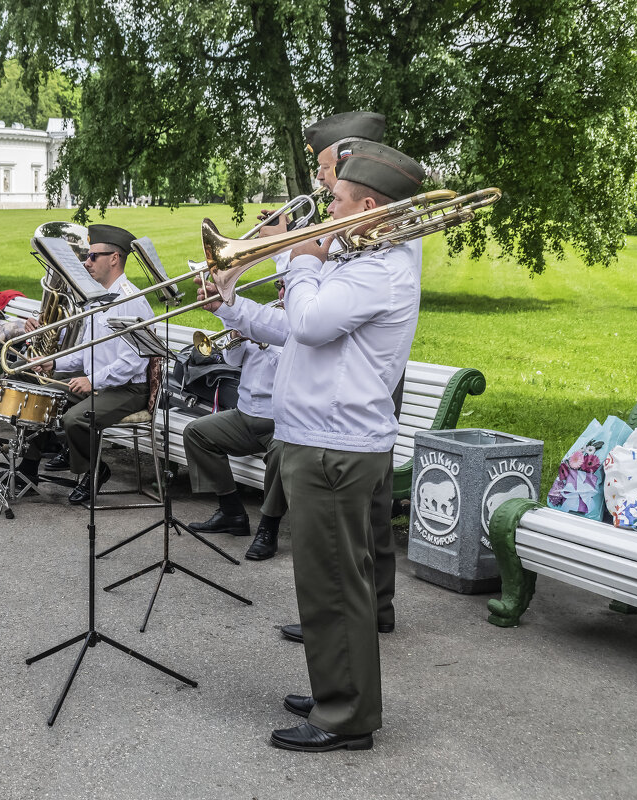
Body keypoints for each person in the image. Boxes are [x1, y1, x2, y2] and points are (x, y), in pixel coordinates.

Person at [210, 141, 424, 752]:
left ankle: (345, 714)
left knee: (332, 584)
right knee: (329, 580)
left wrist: (300, 257)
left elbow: (308, 320)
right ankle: (340, 685)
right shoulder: (359, 257)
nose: (325, 210)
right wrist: (231, 303)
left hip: (335, 444)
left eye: (334, 200)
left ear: (369, 204)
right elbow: (295, 334)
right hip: (321, 435)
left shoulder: (378, 268)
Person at [268, 111, 401, 644]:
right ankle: (352, 625)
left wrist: (295, 254)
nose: (322, 185)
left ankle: (362, 623)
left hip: (348, 409)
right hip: (334, 403)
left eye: (326, 171)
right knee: (347, 545)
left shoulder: (383, 244)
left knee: (353, 540)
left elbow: (314, 315)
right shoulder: (365, 234)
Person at [26, 224, 154, 505]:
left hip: (129, 390)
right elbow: (85, 351)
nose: (86, 262)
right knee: (40, 393)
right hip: (105, 381)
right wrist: (53, 363)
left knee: (74, 419)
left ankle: (95, 471)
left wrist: (92, 381)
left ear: (114, 258)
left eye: (93, 256)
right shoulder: (96, 298)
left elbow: (133, 362)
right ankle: (28, 466)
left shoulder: (130, 300)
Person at [182, 285, 288, 559]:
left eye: (288, 289)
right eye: (280, 288)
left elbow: (289, 368)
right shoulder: (259, 320)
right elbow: (231, 359)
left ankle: (269, 526)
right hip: (245, 414)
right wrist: (239, 337)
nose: (280, 295)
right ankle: (231, 512)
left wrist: (264, 340)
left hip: (282, 422)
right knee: (196, 433)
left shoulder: (302, 331)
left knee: (282, 455)